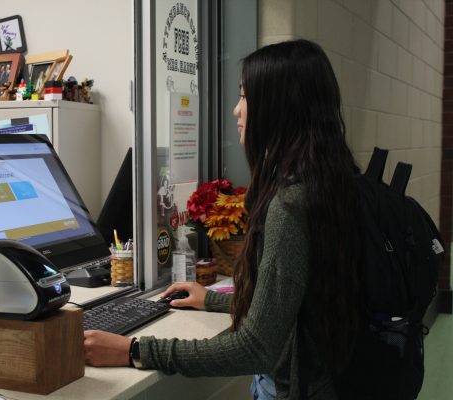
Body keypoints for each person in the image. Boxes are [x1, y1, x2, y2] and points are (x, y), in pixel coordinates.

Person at [83, 39, 363, 400]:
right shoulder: (333, 182)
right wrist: (213, 300)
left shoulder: (291, 206)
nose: (236, 110)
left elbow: (255, 348)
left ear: (277, 107)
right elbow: (291, 303)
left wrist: (134, 350)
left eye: (245, 96)